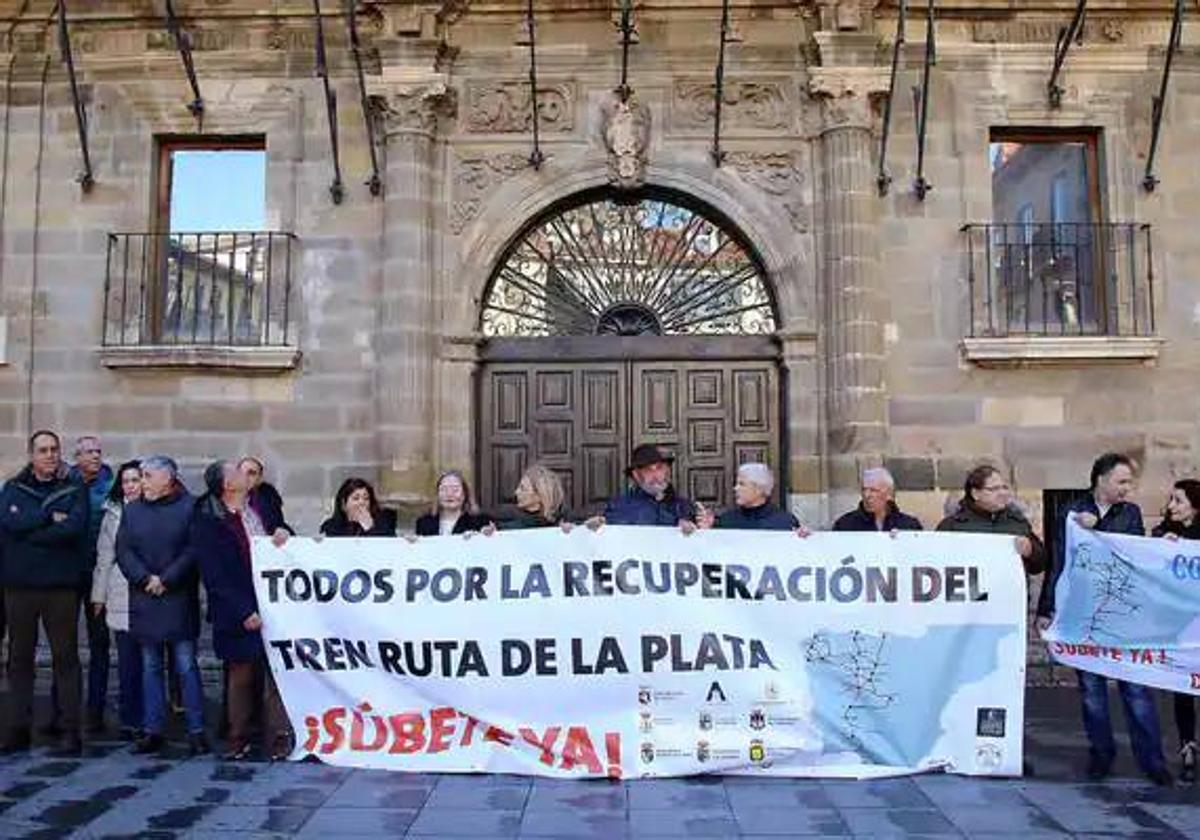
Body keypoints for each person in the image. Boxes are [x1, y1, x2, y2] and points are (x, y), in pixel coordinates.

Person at [1036, 452, 1171, 785]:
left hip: (1123, 614)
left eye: (1130, 482)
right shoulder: (1070, 511)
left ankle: (1152, 760)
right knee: (1092, 691)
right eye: (1122, 481)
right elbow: (1060, 559)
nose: (1127, 488)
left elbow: (1130, 552)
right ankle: (1101, 755)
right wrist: (1046, 607)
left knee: (1136, 689)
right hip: (1085, 614)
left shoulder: (1130, 514)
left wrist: (1102, 528)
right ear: (1101, 480)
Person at [194, 461, 292, 761]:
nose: (243, 474)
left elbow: (284, 531)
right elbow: (214, 575)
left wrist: (282, 532)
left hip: (271, 601)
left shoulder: (261, 506)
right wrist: (243, 610)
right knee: (241, 675)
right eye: (236, 471)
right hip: (236, 607)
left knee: (277, 672)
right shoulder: (209, 521)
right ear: (227, 485)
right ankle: (238, 736)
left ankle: (278, 735)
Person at [0, 430, 90, 755]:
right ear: (31, 455)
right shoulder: (13, 489)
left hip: (60, 588)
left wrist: (30, 530)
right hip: (19, 587)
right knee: (18, 660)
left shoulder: (73, 488)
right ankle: (16, 729)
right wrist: (48, 517)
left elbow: (73, 529)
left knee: (65, 660)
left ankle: (70, 731)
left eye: (54, 449)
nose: (50, 455)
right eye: (43, 450)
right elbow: (8, 524)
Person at [117, 455, 208, 756]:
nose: (141, 482)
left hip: (177, 598)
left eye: (146, 476)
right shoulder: (132, 511)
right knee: (150, 666)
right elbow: (124, 550)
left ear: (166, 479)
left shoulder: (189, 507)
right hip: (145, 599)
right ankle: (152, 728)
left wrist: (166, 579)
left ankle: (196, 730)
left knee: (185, 665)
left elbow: (193, 549)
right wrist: (145, 578)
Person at [90, 460, 145, 741]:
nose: (131, 485)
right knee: (127, 660)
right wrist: (98, 596)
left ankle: (151, 716)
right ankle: (129, 717)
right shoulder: (112, 513)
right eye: (126, 481)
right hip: (121, 591)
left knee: (151, 660)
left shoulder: (154, 509)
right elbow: (104, 557)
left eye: (136, 480)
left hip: (150, 592)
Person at [1151, 478, 1200, 783]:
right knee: (1184, 689)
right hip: (1182, 626)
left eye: (1178, 500)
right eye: (1171, 500)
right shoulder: (1164, 534)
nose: (1171, 507)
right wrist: (1163, 549)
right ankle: (1188, 748)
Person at [67, 435, 114, 735]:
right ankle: (66, 708)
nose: (95, 456)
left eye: (98, 451)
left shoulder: (110, 486)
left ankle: (95, 708)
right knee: (65, 643)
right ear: (78, 456)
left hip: (99, 573)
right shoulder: (66, 483)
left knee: (99, 643)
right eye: (89, 452)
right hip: (69, 572)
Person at [936, 465, 1046, 575]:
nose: (1002, 493)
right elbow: (935, 564)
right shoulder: (952, 526)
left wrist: (1030, 550)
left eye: (1004, 488)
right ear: (975, 494)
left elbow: (1040, 565)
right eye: (994, 489)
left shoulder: (1017, 522)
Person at [595, 444, 697, 528]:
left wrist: (703, 528)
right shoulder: (619, 506)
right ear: (636, 475)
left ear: (667, 470)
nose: (656, 475)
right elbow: (604, 537)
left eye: (659, 468)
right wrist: (596, 526)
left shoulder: (684, 506)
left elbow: (697, 544)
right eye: (648, 470)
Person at [708, 463, 804, 532]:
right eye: (737, 484)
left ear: (759, 489)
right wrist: (707, 532)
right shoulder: (726, 521)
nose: (735, 488)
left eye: (742, 484)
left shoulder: (785, 522)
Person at [832, 467, 923, 532]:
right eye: (864, 490)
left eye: (873, 490)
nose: (867, 495)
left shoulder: (909, 526)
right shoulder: (845, 525)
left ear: (889, 495)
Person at [494, 464, 571, 530]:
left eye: (523, 489)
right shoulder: (505, 517)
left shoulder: (562, 520)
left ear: (540, 496)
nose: (516, 492)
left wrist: (569, 530)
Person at [414, 471, 491, 536]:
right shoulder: (424, 522)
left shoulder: (480, 522)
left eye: (455, 490)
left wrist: (485, 536)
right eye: (444, 489)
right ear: (437, 495)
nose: (449, 494)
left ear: (465, 494)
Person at [320, 478, 398, 537]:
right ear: (344, 504)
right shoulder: (333, 526)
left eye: (366, 498)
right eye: (356, 498)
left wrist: (370, 529)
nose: (362, 502)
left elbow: (389, 548)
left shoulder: (384, 521)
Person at [240, 457, 294, 536]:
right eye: (241, 473)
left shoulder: (268, 502)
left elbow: (278, 527)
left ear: (259, 479)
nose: (245, 477)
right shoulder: (222, 502)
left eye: (251, 473)